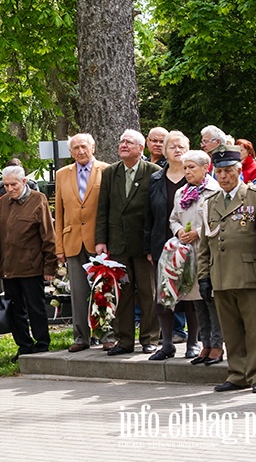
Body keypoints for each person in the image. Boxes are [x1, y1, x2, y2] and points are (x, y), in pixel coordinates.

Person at [198, 146, 256, 393]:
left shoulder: (255, 197)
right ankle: (237, 374)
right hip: (221, 275)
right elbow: (205, 243)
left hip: (249, 274)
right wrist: (203, 276)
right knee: (230, 330)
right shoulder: (211, 202)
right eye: (219, 172)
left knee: (255, 329)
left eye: (229, 171)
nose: (223, 176)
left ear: (239, 170)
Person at [96, 129, 160, 356]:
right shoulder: (111, 172)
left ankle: (149, 338)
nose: (123, 145)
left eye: (129, 142)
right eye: (121, 141)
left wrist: (155, 243)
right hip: (118, 243)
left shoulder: (153, 172)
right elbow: (103, 207)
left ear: (140, 148)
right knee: (121, 294)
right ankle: (124, 340)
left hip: (144, 246)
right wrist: (101, 240)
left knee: (148, 292)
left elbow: (157, 210)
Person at [144, 131, 199, 361]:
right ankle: (166, 344)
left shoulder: (196, 178)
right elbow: (148, 216)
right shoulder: (156, 179)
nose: (177, 150)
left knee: (191, 296)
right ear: (164, 151)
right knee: (164, 296)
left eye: (181, 146)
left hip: (191, 245)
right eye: (172, 147)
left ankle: (193, 343)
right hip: (162, 245)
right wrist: (148, 247)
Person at [54, 133, 110, 352]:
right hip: (73, 240)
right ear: (70, 152)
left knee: (103, 290)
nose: (80, 151)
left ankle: (106, 334)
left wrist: (107, 239)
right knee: (77, 292)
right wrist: (59, 246)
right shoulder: (62, 175)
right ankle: (81, 337)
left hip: (99, 242)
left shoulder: (106, 170)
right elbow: (58, 212)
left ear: (93, 147)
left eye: (84, 147)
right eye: (75, 148)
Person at [0, 165, 56, 360]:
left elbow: (48, 235)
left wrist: (50, 265)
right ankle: (24, 346)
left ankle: (42, 344)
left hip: (32, 266)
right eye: (6, 185)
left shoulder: (38, 200)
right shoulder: (3, 203)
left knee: (35, 307)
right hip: (9, 267)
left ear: (23, 182)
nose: (10, 189)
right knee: (15, 309)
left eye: (13, 184)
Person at [169, 149, 222, 365]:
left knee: (211, 299)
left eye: (192, 167)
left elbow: (219, 220)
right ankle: (205, 344)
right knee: (196, 301)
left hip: (208, 251)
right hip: (188, 254)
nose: (187, 172)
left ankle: (217, 345)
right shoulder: (181, 193)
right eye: (185, 168)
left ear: (205, 168)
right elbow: (173, 219)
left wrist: (198, 232)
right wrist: (179, 230)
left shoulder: (214, 190)